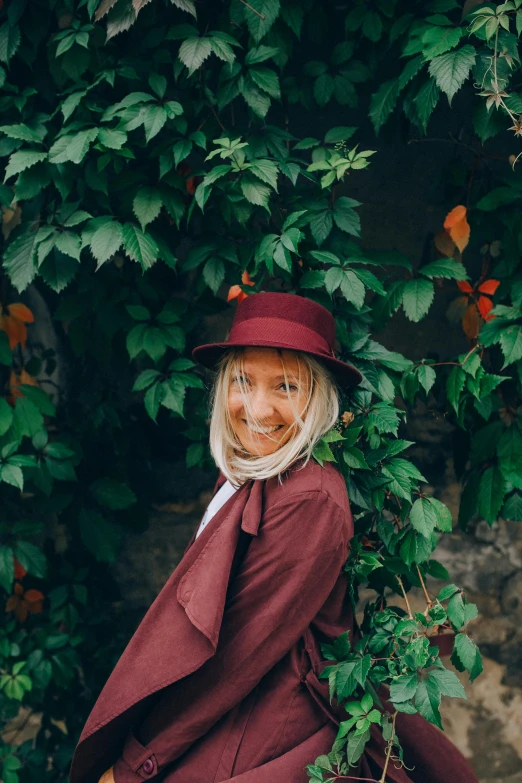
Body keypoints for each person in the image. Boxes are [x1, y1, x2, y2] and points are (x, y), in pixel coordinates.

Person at [69, 292, 478, 783]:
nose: (258, 409)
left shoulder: (310, 499)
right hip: (241, 702)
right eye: (243, 380)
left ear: (319, 396)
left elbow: (236, 656)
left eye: (285, 386)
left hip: (269, 724)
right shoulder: (255, 471)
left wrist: (137, 765)